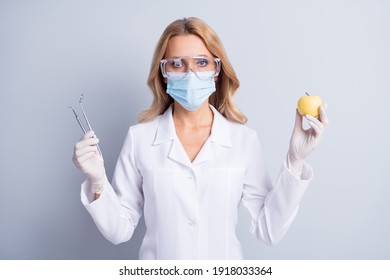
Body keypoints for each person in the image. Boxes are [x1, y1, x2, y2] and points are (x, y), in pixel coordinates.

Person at [72, 17, 328, 260]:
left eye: (202, 63)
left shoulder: (243, 141)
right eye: (177, 63)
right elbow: (119, 230)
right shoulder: (140, 138)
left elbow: (269, 230)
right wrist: (98, 182)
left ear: (217, 69)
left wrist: (294, 162)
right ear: (163, 72)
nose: (190, 74)